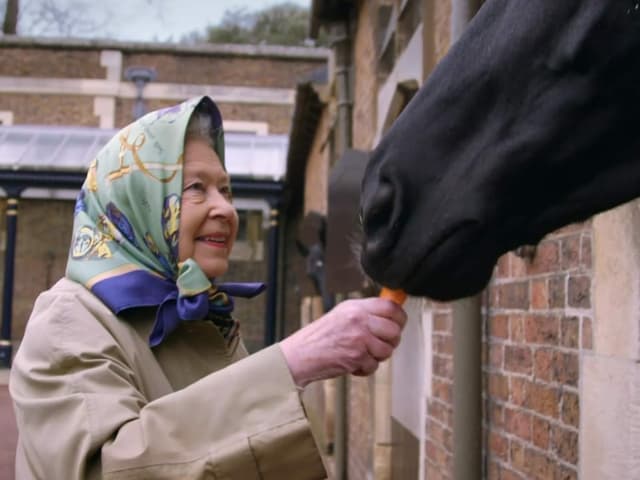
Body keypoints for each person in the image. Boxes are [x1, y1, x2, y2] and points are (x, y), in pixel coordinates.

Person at [9, 96, 407, 479]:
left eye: (226, 189)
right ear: (135, 202)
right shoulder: (68, 320)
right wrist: (293, 362)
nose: (226, 209)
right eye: (196, 188)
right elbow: (105, 471)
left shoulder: (202, 315)